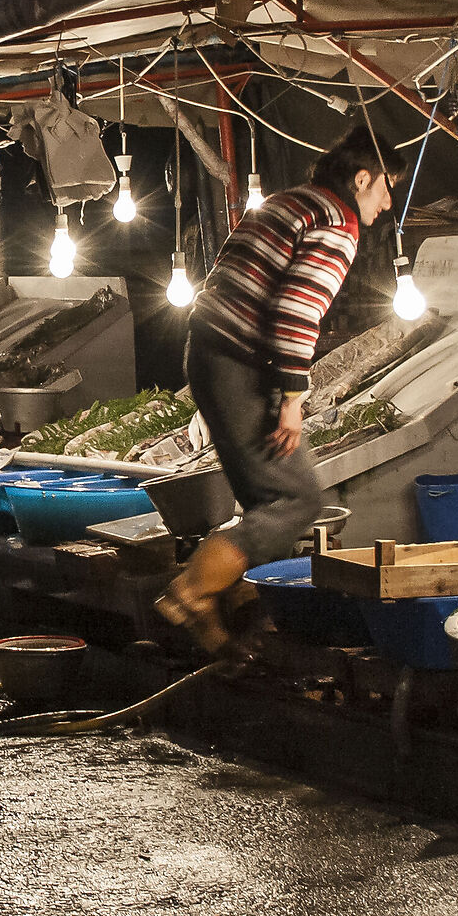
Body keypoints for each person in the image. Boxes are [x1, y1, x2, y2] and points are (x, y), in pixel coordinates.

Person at [155, 125, 395, 656]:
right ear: (362, 179)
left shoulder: (291, 202)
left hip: (210, 349)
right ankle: (191, 594)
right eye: (385, 186)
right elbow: (297, 312)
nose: (387, 200)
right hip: (239, 362)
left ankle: (231, 628)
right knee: (295, 499)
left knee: (264, 500)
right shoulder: (338, 223)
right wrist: (292, 401)